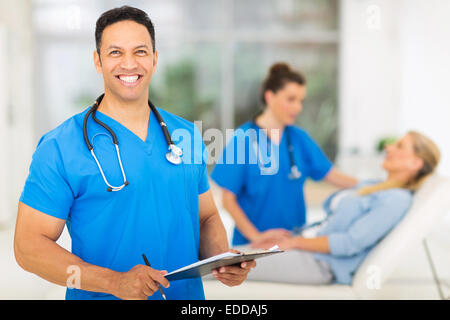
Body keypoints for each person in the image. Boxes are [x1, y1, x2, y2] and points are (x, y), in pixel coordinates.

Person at [14, 6, 254, 300]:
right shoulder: (61, 147)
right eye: (115, 52)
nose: (129, 63)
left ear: (154, 60)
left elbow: (205, 217)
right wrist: (114, 283)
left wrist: (223, 260)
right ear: (97, 61)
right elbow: (28, 248)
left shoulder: (186, 136)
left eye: (140, 51)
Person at [243, 131, 440, 285]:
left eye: (399, 145)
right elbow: (332, 221)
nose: (389, 147)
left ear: (415, 162)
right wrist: (290, 236)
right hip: (306, 247)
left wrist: (296, 243)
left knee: (227, 267)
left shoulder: (396, 200)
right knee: (227, 256)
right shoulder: (373, 185)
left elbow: (350, 243)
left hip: (321, 263)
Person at [211, 63, 358, 247]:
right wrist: (256, 236)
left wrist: (375, 187)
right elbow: (227, 199)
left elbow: (333, 176)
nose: (298, 107)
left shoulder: (299, 138)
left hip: (292, 244)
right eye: (291, 99)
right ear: (270, 97)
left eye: (300, 101)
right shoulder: (243, 139)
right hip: (252, 247)